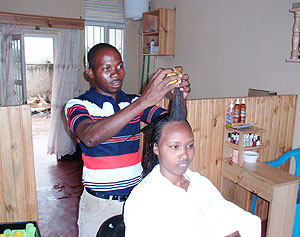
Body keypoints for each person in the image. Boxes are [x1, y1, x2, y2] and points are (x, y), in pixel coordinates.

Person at [64, 43, 190, 236]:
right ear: (90, 73)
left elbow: (174, 123)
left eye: (119, 66)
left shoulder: (132, 102)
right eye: (106, 68)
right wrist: (144, 101)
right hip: (99, 205)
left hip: (136, 200)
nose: (116, 73)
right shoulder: (79, 105)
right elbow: (90, 138)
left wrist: (179, 98)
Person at [123, 111, 261, 236]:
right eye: (175, 147)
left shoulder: (199, 184)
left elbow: (227, 220)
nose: (184, 155)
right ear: (156, 148)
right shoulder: (143, 198)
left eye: (190, 145)